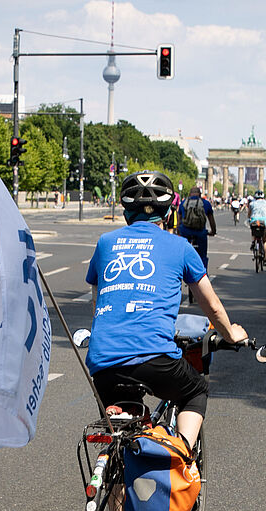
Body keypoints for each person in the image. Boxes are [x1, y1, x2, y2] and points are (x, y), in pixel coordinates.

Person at [86, 170, 250, 457]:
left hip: (102, 362)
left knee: (118, 446)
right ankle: (181, 459)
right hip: (154, 359)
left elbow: (98, 302)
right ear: (168, 211)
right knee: (195, 391)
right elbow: (210, 305)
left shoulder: (105, 243)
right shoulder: (181, 247)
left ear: (125, 210)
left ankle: (115, 491)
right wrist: (230, 333)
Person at [176, 185, 217, 267]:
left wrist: (178, 231)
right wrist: (213, 231)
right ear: (200, 194)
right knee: (202, 255)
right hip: (200, 232)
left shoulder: (184, 203)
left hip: (185, 231)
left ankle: (181, 269)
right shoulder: (205, 203)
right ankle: (203, 272)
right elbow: (211, 220)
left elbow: (179, 220)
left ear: (190, 194)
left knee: (182, 253)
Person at [247, 190, 266, 263]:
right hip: (265, 223)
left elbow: (249, 214)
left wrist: (249, 218)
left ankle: (253, 242)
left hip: (255, 222)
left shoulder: (252, 203)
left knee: (253, 231)